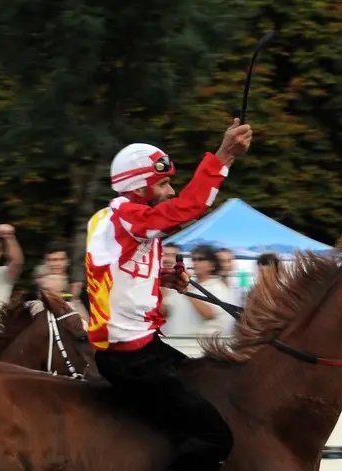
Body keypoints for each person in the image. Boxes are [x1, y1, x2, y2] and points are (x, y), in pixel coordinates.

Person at [85, 118, 253, 471]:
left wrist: (162, 277)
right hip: (133, 360)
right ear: (139, 188)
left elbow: (118, 272)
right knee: (215, 438)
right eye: (163, 183)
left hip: (143, 350)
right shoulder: (128, 218)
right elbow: (188, 208)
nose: (171, 191)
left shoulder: (116, 219)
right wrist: (224, 155)